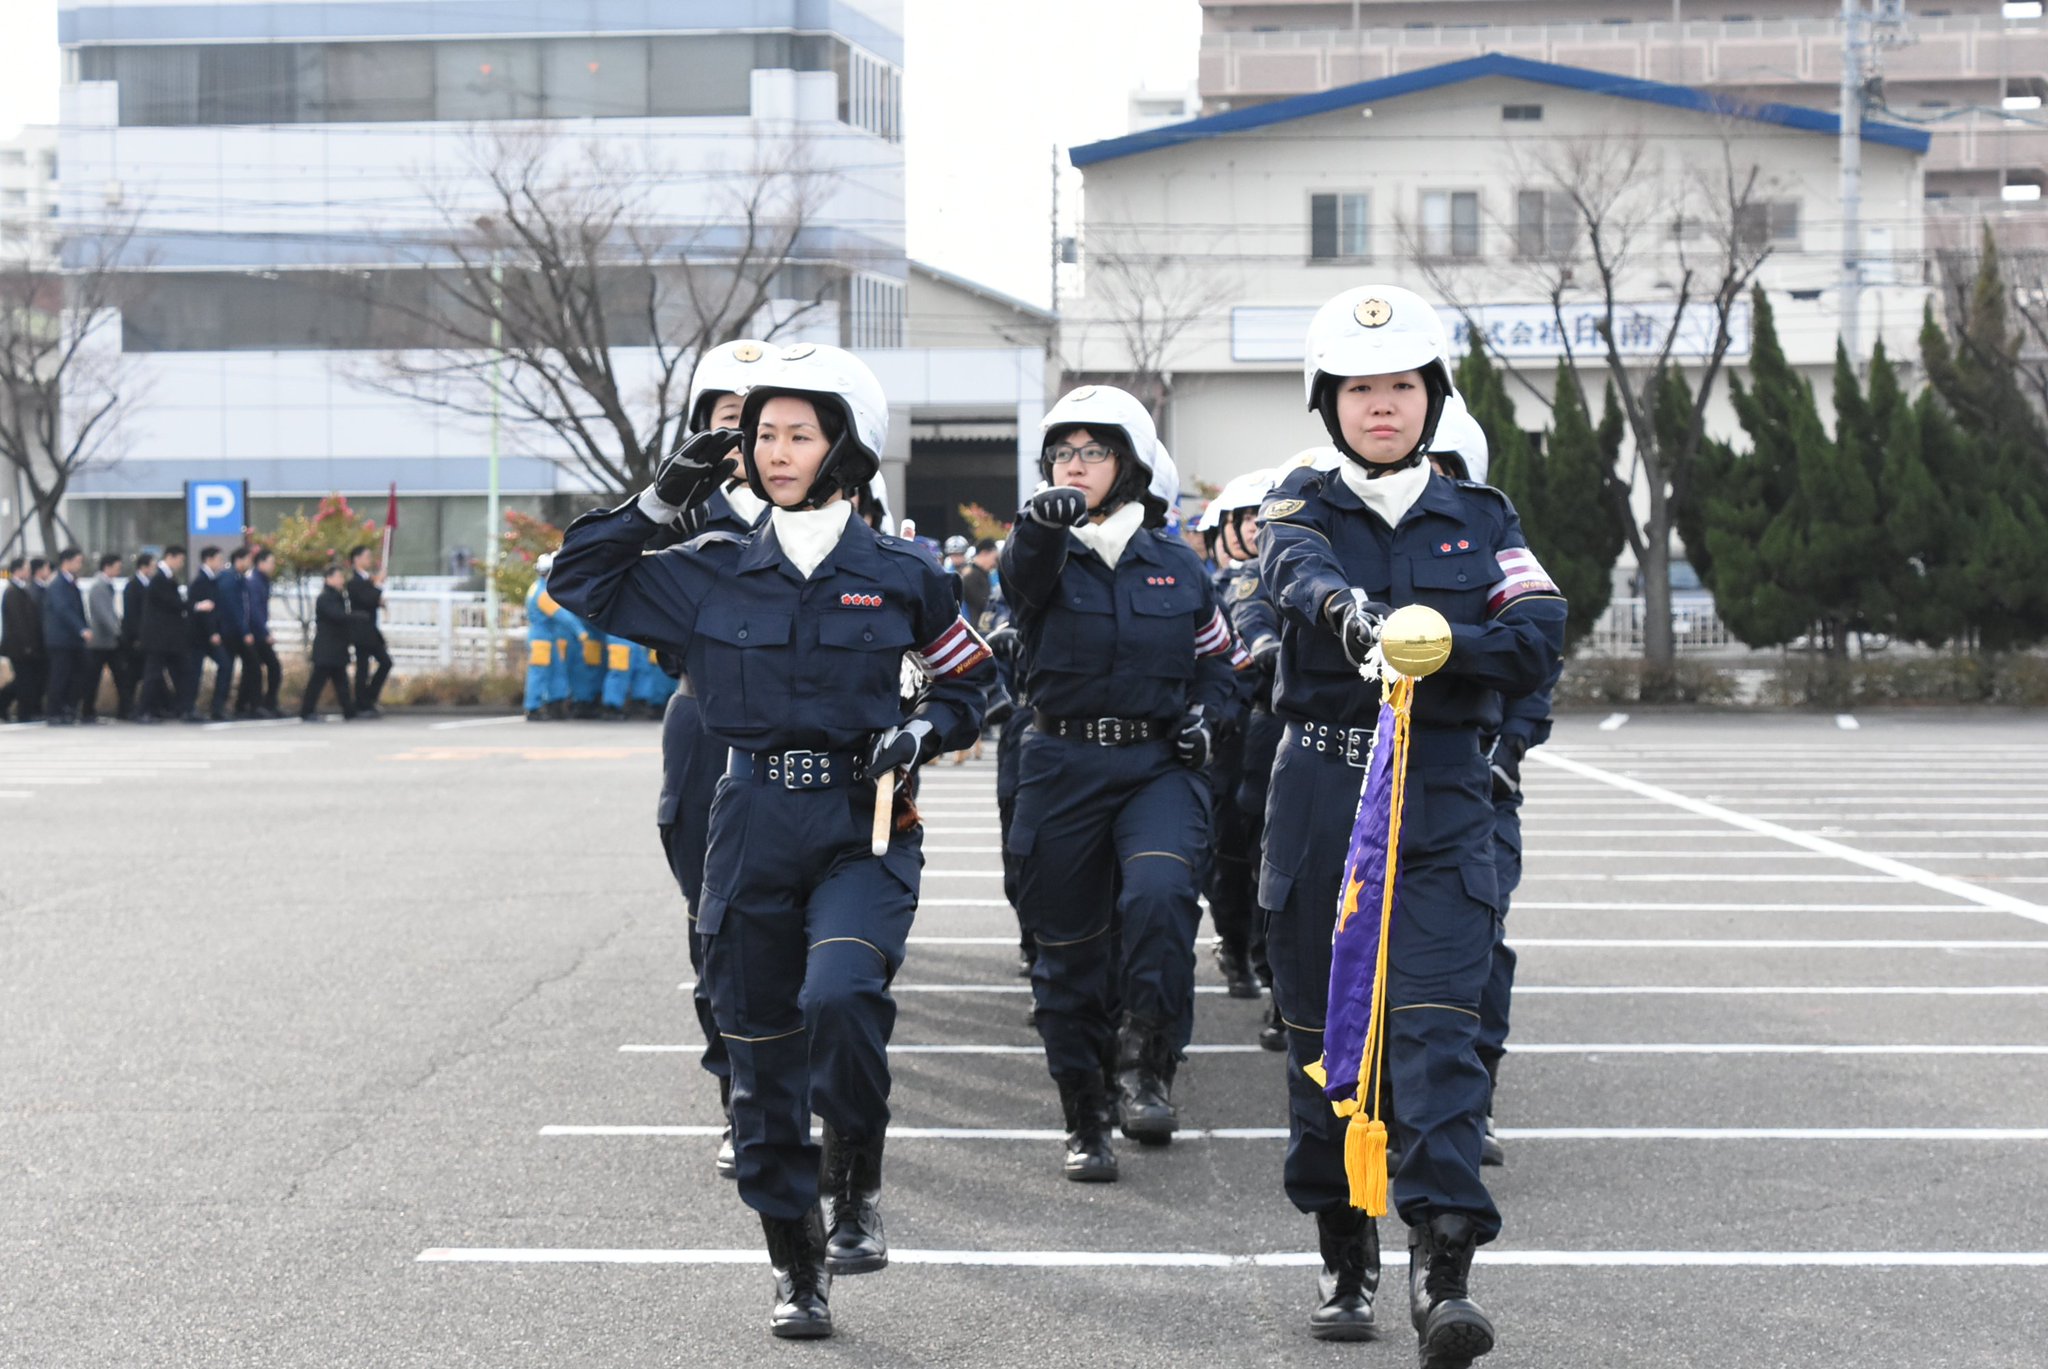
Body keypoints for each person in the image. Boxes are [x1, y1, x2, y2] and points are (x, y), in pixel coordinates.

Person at [550, 342, 991, 1341]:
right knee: (757, 1056)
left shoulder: (901, 573)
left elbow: (976, 682)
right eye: (761, 434)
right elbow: (577, 581)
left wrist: (925, 727)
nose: (773, 449)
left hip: (860, 822)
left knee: (839, 995)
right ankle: (796, 1265)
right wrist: (659, 499)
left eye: (797, 432)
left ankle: (857, 1187)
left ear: (845, 444)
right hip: (747, 823)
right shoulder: (707, 572)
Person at [1258, 284, 1564, 1357]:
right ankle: (1345, 1252)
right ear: (1325, 401)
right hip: (1324, 797)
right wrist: (1360, 625)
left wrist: (1442, 647)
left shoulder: (1482, 518)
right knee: (1326, 1046)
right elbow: (1298, 581)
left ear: (1430, 399)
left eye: (1398, 387)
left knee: (1437, 1038)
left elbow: (1535, 629)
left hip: (1438, 793)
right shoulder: (1298, 506)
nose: (1378, 406)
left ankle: (1443, 1270)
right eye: (1356, 389)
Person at [999, 384, 1244, 1184]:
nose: (1077, 464)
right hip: (1061, 765)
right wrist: (1042, 521)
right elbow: (1020, 574)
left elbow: (1218, 662)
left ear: (1129, 463)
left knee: (1161, 899)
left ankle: (1149, 1065)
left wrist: (1209, 716)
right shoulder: (1040, 551)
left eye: (1093, 451)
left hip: (1155, 767)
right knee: (1068, 950)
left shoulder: (1177, 565)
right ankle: (1085, 1108)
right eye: (1064, 452)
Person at [644, 338, 772, 1175]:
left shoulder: (837, 509)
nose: (751, 439)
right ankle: (739, 1094)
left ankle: (794, 1084)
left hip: (809, 734)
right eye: (730, 421)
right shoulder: (678, 518)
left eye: (768, 424)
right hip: (706, 721)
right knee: (712, 919)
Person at [1425, 397, 1556, 1171]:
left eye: (1445, 470)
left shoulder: (1500, 552)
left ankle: (1474, 1101)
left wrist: (1508, 752)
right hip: (1374, 780)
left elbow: (1534, 670)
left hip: (1478, 785)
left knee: (1480, 946)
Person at [137, 545, 197, 724]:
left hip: (170, 639)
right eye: (180, 559)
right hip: (159, 639)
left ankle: (185, 709)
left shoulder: (166, 577)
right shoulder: (159, 578)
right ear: (170, 557)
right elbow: (171, 602)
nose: (181, 563)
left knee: (182, 672)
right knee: (153, 675)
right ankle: (145, 711)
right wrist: (193, 606)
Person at [300, 563, 358, 721]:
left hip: (337, 647)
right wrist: (355, 617)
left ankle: (349, 711)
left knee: (341, 682)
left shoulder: (339, 597)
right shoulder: (325, 597)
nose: (341, 580)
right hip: (327, 647)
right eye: (338, 577)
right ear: (328, 579)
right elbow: (337, 616)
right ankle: (307, 711)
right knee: (317, 681)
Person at [40, 548, 92, 725]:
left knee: (79, 674)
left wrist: (85, 627)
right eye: (77, 561)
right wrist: (81, 629)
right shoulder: (58, 584)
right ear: (66, 562)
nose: (80, 565)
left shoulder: (71, 583)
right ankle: (54, 711)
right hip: (61, 640)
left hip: (73, 641)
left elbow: (79, 609)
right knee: (60, 676)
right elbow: (63, 610)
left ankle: (68, 707)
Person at [522, 552, 573, 722]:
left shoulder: (537, 588)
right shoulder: (543, 593)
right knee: (539, 674)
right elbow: (561, 615)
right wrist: (581, 631)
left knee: (556, 672)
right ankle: (533, 708)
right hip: (541, 640)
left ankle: (555, 704)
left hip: (547, 638)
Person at [235, 548, 283, 719]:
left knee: (256, 669)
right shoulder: (253, 581)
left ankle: (256, 704)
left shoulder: (263, 580)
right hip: (254, 633)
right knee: (262, 668)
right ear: (260, 563)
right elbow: (253, 611)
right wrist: (264, 632)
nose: (273, 566)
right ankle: (254, 705)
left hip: (258, 631)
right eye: (271, 562)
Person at [183, 546, 228, 723]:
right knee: (194, 673)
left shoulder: (211, 580)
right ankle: (189, 708)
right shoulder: (201, 581)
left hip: (208, 635)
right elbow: (202, 611)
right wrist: (212, 632)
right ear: (208, 560)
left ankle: (217, 707)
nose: (221, 563)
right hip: (199, 636)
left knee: (225, 665)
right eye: (218, 559)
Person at [0, 556, 47, 722]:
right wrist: (27, 644)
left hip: (27, 646)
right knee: (24, 681)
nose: (28, 572)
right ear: (18, 570)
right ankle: (24, 713)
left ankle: (7, 705)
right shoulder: (12, 591)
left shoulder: (23, 590)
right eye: (26, 568)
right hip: (18, 646)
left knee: (24, 680)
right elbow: (18, 621)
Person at [346, 545, 392, 715]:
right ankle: (362, 703)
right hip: (361, 630)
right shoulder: (354, 580)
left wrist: (378, 595)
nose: (369, 560)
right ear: (356, 559)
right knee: (364, 667)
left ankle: (368, 699)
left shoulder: (367, 580)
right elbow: (365, 598)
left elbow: (371, 599)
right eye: (366, 556)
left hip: (370, 629)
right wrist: (378, 585)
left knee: (383, 662)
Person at [206, 546, 250, 721]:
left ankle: (237, 705)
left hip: (234, 631)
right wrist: (244, 630)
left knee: (245, 666)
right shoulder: (228, 579)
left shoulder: (238, 578)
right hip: (229, 632)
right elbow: (232, 608)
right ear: (239, 559)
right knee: (226, 668)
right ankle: (219, 707)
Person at [84, 554, 127, 722]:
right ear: (107, 567)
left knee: (121, 676)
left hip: (109, 641)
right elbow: (103, 615)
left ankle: (125, 709)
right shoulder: (98, 586)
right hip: (101, 642)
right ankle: (87, 711)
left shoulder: (108, 585)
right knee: (92, 678)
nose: (119, 570)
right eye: (117, 567)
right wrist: (117, 632)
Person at [118, 553, 153, 721]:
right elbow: (132, 615)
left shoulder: (148, 584)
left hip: (145, 637)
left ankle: (141, 708)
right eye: (152, 566)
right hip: (134, 639)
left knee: (143, 674)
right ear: (144, 567)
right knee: (131, 676)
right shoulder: (133, 586)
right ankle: (126, 709)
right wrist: (137, 636)